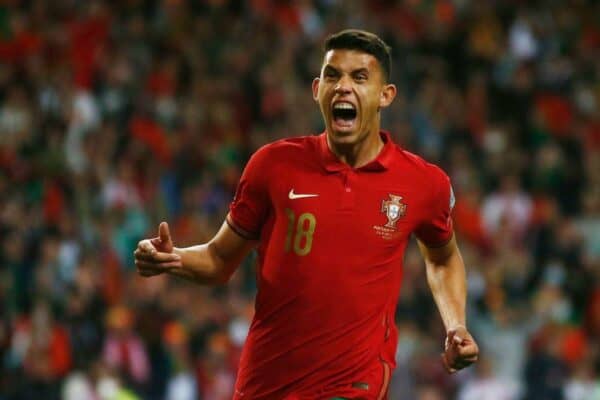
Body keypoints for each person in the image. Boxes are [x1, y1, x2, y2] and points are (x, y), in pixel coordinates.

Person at [134, 29, 479, 399]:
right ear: (317, 89)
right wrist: (173, 259)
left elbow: (442, 258)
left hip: (353, 383)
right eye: (333, 75)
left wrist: (455, 325)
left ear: (385, 95)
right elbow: (220, 260)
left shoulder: (422, 183)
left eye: (359, 77)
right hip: (266, 380)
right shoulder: (273, 166)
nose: (343, 86)